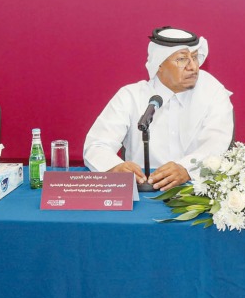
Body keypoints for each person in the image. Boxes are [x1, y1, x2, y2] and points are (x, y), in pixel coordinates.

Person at [83, 27, 234, 190]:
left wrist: (186, 169)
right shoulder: (131, 96)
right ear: (159, 64)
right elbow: (97, 145)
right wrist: (114, 167)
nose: (193, 67)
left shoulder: (213, 92)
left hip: (196, 190)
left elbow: (216, 144)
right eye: (182, 59)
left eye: (195, 57)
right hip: (142, 192)